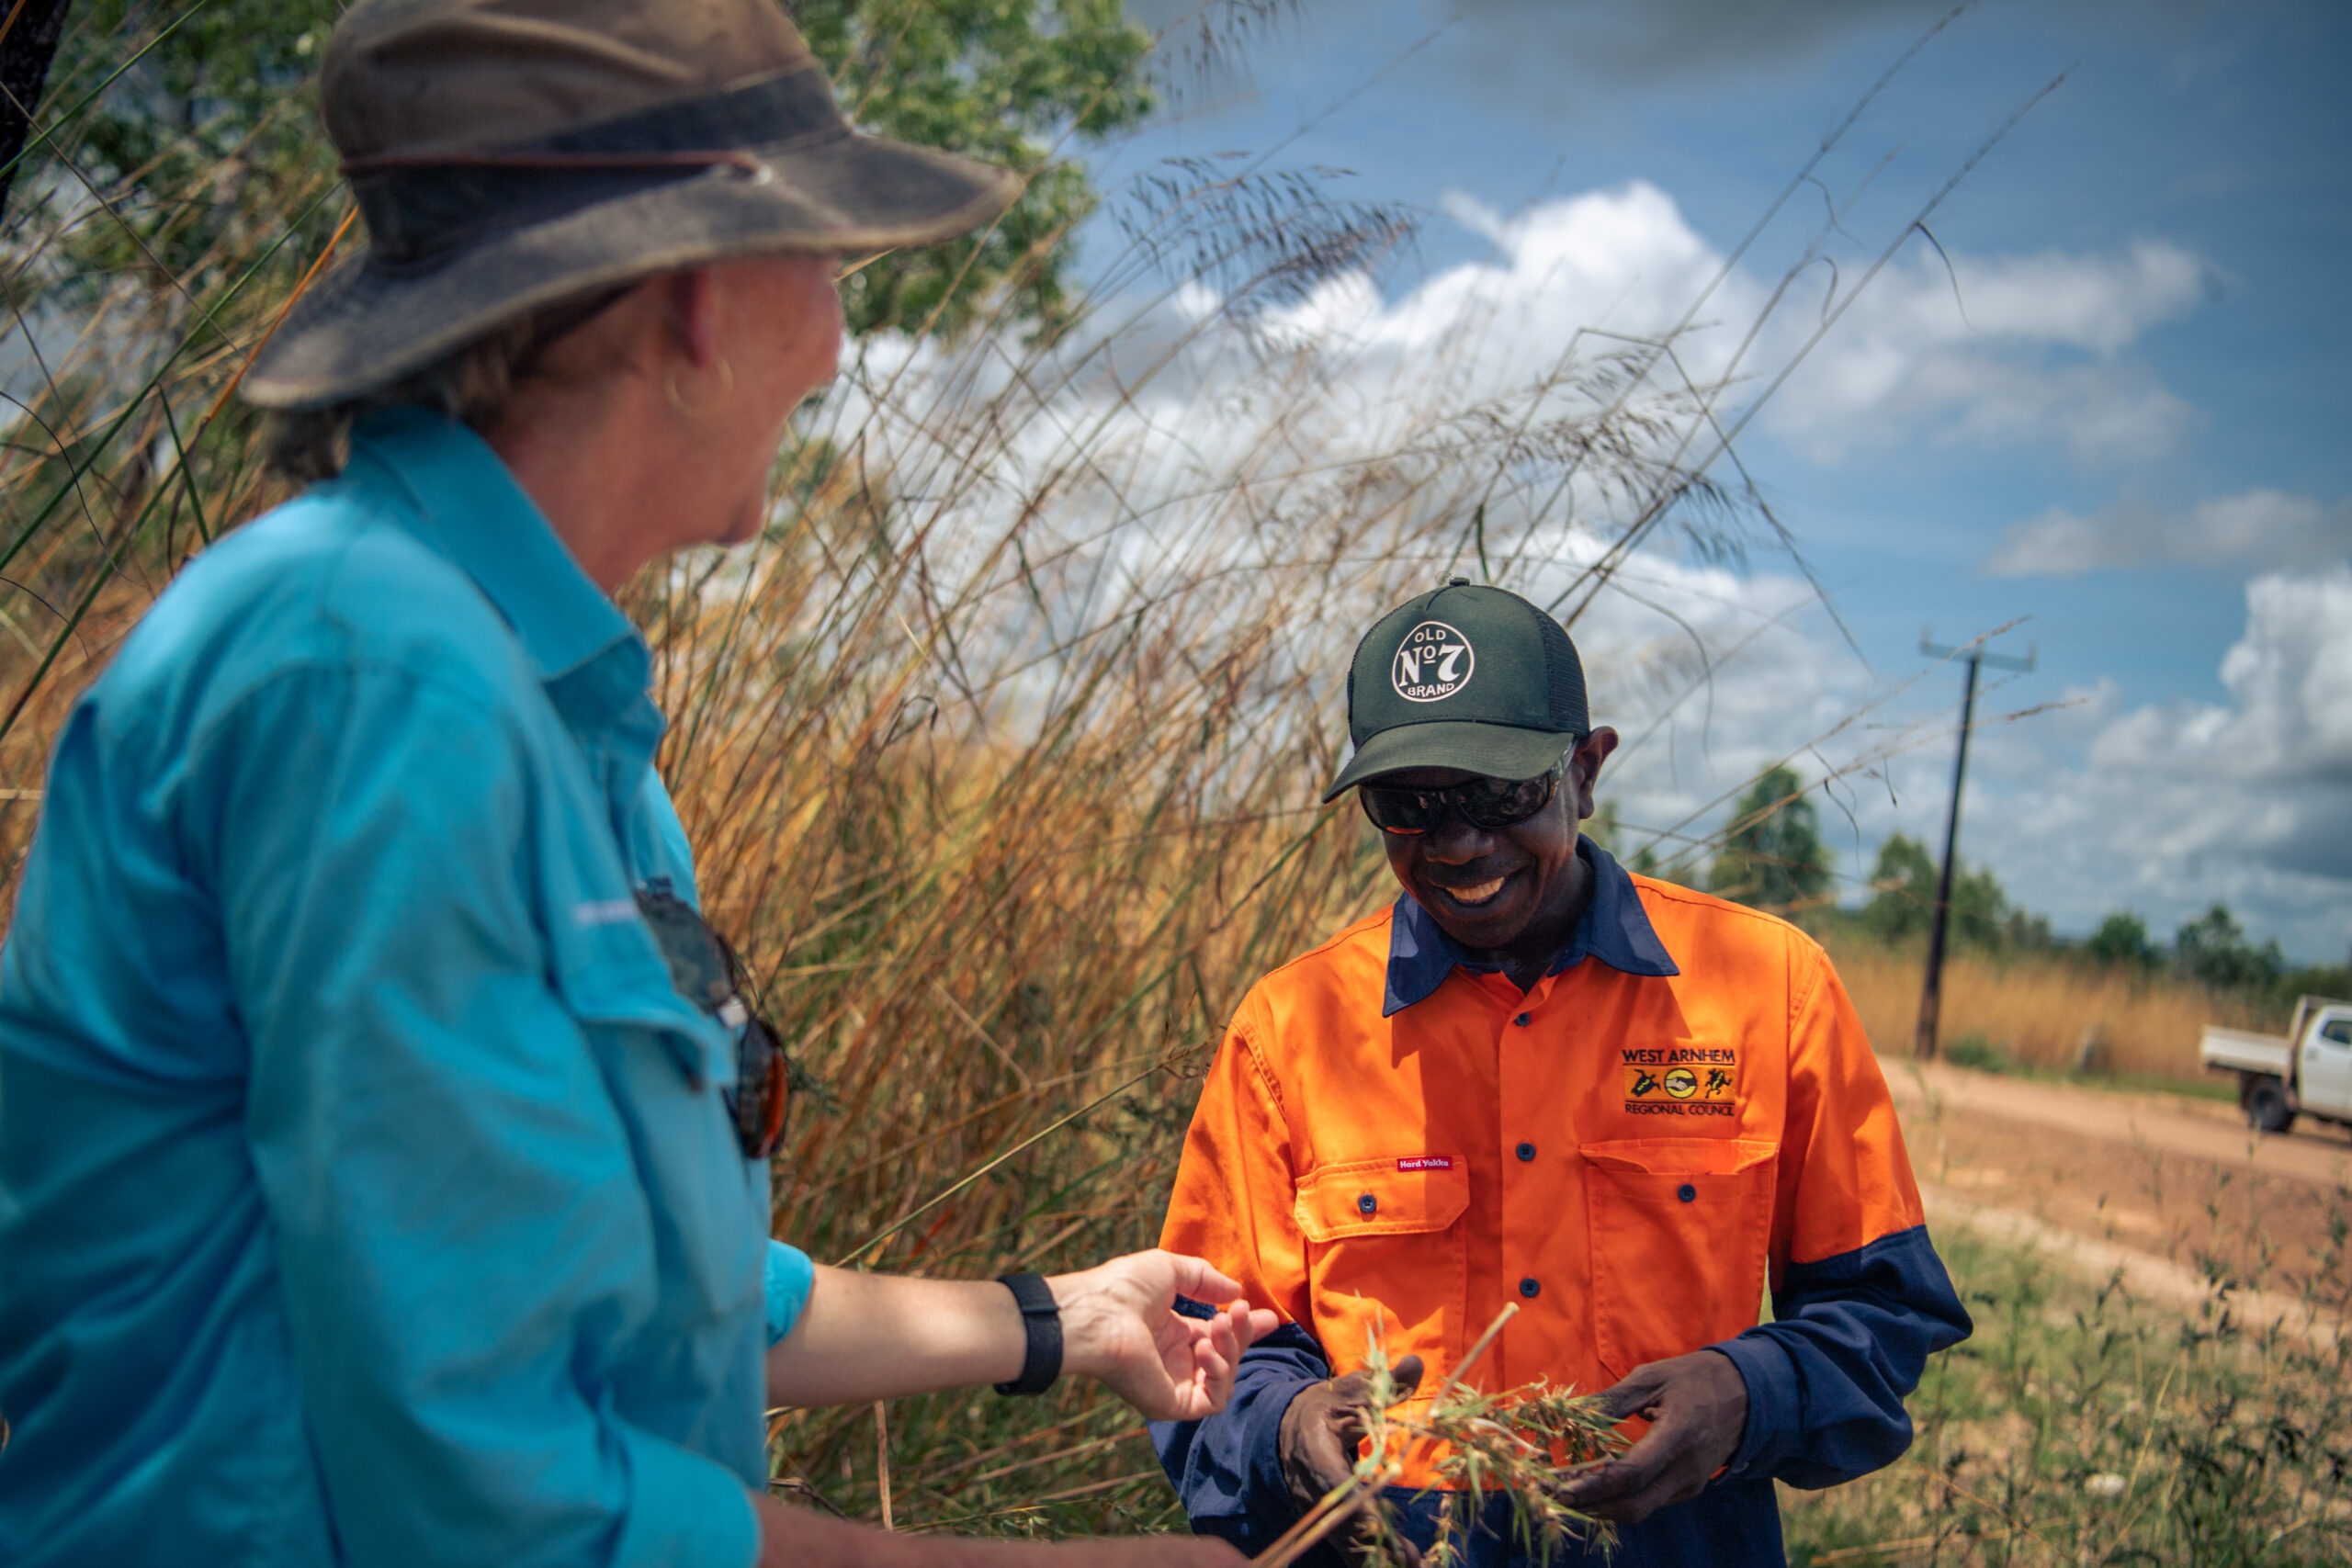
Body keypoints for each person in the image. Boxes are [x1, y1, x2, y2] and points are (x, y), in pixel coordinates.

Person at [0, 2, 1273, 1564]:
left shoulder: (563, 726)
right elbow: (483, 1494)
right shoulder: (368, 675)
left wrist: (1054, 1319)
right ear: (688, 300)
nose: (831, 332)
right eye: (823, 261)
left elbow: (645, 1292)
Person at [1149, 581, 1973, 1566]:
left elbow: (1885, 1307)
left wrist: (1746, 1394)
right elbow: (1205, 1342)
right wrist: (1284, 1429)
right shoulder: (1290, 1031)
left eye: (1501, 794)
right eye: (1407, 805)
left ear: (1585, 771)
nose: (1457, 843)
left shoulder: (1768, 989)